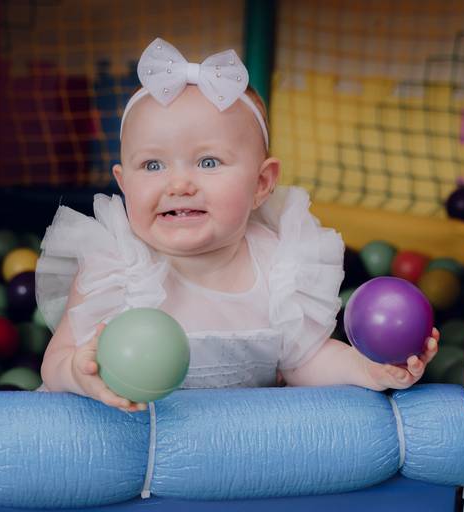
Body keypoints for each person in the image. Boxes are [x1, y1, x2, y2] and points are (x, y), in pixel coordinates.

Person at [36, 38, 438, 412]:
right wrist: (76, 373)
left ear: (262, 184)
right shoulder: (115, 266)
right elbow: (56, 360)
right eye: (153, 165)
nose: (179, 184)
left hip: (244, 454)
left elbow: (306, 363)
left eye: (208, 162)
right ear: (124, 184)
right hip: (136, 444)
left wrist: (366, 370)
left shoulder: (281, 267)